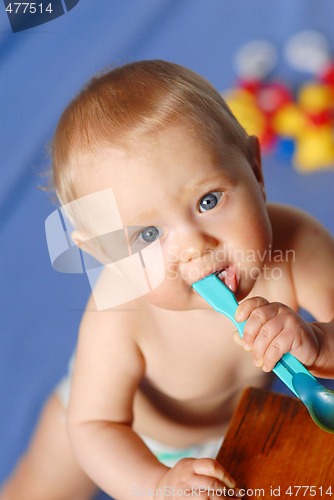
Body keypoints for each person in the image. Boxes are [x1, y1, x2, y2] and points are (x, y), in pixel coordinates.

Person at [2, 60, 334, 500]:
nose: (195, 245)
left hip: (238, 435)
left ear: (255, 170)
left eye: (208, 199)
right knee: (36, 490)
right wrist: (155, 484)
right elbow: (94, 425)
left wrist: (317, 342)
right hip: (122, 438)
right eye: (148, 235)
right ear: (107, 256)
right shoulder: (118, 314)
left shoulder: (299, 248)